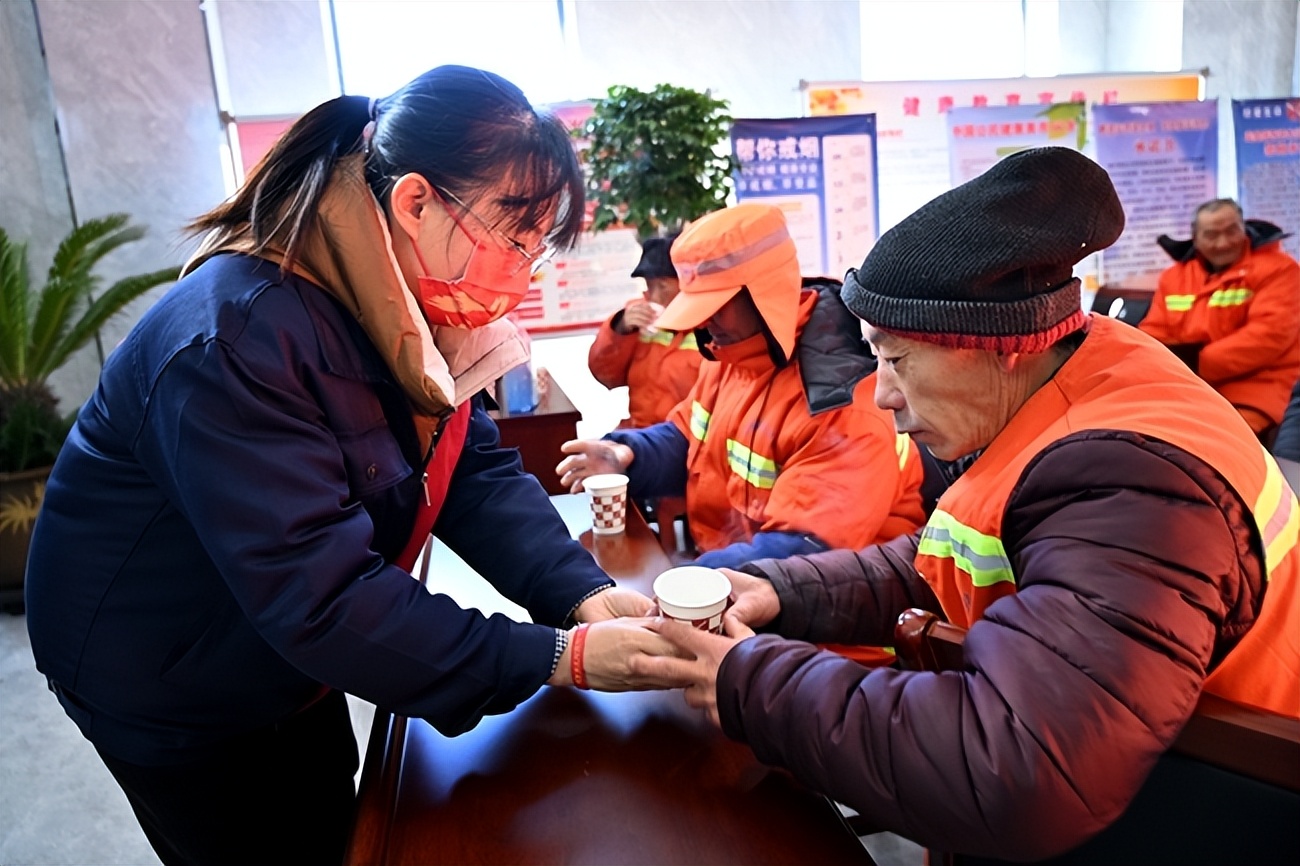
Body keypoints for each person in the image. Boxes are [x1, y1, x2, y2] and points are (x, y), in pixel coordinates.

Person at [24, 65, 672, 866]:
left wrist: (577, 591)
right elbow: (319, 599)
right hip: (169, 673)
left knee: (335, 812)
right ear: (414, 201)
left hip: (277, 646)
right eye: (514, 237)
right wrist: (556, 658)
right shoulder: (236, 341)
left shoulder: (401, 303)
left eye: (538, 248)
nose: (522, 269)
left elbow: (467, 466)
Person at [635, 149, 1300, 863]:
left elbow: (1019, 769)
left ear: (995, 347)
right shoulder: (1070, 373)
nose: (883, 395)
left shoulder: (1133, 485)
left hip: (1201, 810)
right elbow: (956, 555)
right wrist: (775, 591)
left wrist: (745, 680)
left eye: (896, 360)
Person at [557, 202, 925, 571]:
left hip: (839, 605)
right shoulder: (732, 356)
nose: (706, 320)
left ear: (765, 293)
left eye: (718, 304)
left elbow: (804, 549)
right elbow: (687, 438)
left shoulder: (843, 401)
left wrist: (689, 582)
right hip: (746, 575)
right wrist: (627, 454)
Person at [1138, 198, 1300, 442]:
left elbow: (1268, 336)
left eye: (1232, 231)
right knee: (1138, 431)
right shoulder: (1174, 277)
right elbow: (1153, 333)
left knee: (1211, 442)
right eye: (1212, 235)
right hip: (1186, 386)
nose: (1224, 243)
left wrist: (1193, 365)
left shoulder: (1281, 269)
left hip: (1259, 386)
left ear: (1244, 229)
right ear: (1196, 238)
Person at [587, 233, 703, 429]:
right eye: (649, 286)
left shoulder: (712, 328)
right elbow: (606, 376)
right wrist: (620, 329)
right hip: (640, 433)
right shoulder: (638, 320)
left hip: (686, 440)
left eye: (663, 287)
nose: (654, 297)